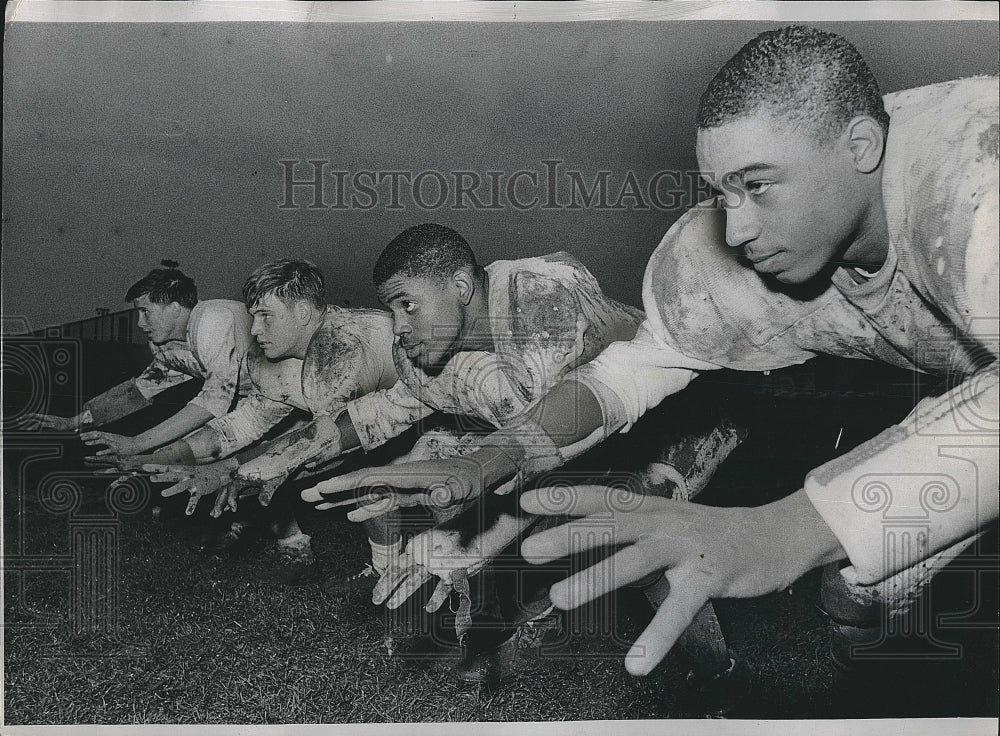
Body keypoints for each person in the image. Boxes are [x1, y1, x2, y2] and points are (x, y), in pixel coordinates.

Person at [305, 26, 999, 678]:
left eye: (758, 184)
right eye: (722, 192)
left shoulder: (972, 183)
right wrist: (496, 457)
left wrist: (781, 529)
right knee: (860, 601)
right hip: (963, 385)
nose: (737, 227)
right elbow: (632, 370)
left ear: (860, 146)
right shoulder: (717, 257)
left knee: (852, 560)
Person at [293, 223, 745, 683]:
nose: (400, 326)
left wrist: (471, 539)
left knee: (640, 534)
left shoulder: (538, 300)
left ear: (461, 287)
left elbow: (561, 450)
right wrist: (292, 450)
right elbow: (392, 407)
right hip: (565, 434)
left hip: (683, 414)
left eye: (407, 304)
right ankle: (534, 615)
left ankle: (718, 680)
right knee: (475, 477)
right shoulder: (430, 345)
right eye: (392, 309)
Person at [136, 259, 400, 577]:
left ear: (302, 313)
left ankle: (417, 569)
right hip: (380, 412)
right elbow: (245, 423)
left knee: (401, 478)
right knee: (368, 474)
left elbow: (324, 445)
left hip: (445, 408)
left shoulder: (342, 349)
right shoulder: (269, 357)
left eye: (265, 317)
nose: (254, 329)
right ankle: (389, 568)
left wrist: (237, 472)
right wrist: (167, 454)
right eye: (253, 316)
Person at [26, 268, 252, 458]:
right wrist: (73, 422)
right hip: (253, 397)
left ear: (174, 308)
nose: (140, 323)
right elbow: (139, 390)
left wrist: (137, 444)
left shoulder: (212, 319)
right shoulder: (166, 344)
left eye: (145, 312)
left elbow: (214, 401)